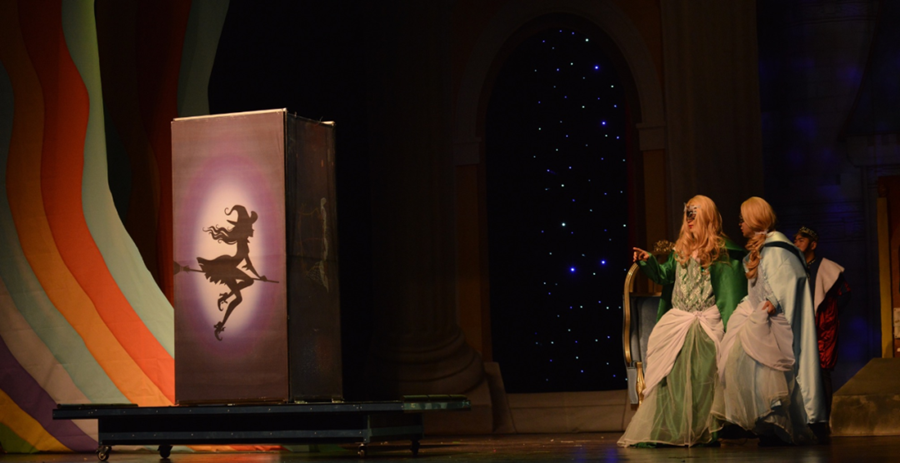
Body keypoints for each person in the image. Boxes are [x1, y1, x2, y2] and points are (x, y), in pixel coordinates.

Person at [618, 195, 747, 447]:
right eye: (687, 213)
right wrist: (648, 261)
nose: (689, 219)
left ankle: (703, 431)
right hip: (678, 322)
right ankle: (671, 430)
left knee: (702, 379)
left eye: (693, 213)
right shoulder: (681, 250)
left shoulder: (722, 252)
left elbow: (730, 293)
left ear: (706, 216)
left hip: (705, 323)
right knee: (671, 379)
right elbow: (665, 276)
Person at [712, 197, 822, 445]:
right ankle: (764, 425)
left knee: (771, 376)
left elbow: (788, 282)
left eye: (743, 219)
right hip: (754, 316)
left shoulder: (778, 249)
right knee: (748, 372)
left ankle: (778, 424)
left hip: (771, 322)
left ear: (754, 219)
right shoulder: (761, 249)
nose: (740, 223)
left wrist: (774, 300)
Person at [794, 226, 850, 435]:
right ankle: (804, 420)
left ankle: (822, 422)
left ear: (813, 244)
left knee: (822, 371)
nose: (796, 243)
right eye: (795, 240)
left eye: (801, 240)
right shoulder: (794, 267)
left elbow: (845, 294)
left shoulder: (826, 267)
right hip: (800, 325)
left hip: (822, 328)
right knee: (801, 371)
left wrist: (829, 316)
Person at [197, 205, 268, 341]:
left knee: (244, 290)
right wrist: (259, 277)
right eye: (250, 227)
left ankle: (223, 309)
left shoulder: (244, 244)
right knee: (246, 286)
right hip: (227, 267)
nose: (252, 230)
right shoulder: (242, 243)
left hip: (230, 268)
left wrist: (260, 277)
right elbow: (248, 265)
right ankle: (223, 313)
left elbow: (249, 265)